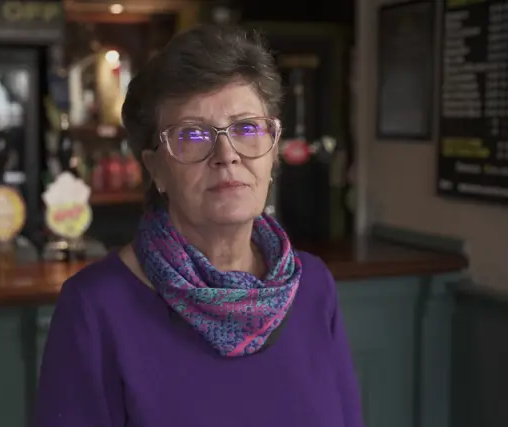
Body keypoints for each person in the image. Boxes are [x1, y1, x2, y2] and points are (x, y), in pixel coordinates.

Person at [34, 24, 364, 427]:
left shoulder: (312, 285)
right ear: (156, 168)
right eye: (192, 134)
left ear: (272, 153)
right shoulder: (95, 307)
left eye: (246, 129)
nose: (227, 155)